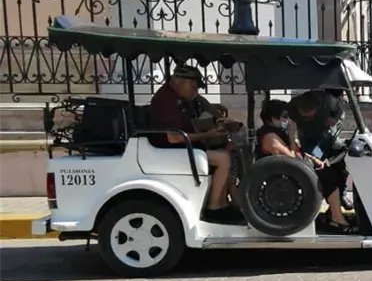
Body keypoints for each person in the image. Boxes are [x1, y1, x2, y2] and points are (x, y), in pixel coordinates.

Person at [149, 64, 238, 222]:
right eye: (194, 86)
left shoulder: (178, 96)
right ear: (181, 82)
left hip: (181, 147)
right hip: (169, 150)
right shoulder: (167, 102)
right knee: (222, 159)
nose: (196, 90)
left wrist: (218, 119)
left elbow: (202, 103)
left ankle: (224, 204)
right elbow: (173, 138)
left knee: (225, 150)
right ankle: (213, 208)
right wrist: (207, 134)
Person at [257, 99, 355, 232]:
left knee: (336, 171)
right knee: (328, 177)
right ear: (273, 118)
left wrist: (313, 159)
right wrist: (292, 135)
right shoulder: (270, 137)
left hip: (294, 171)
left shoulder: (279, 133)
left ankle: (333, 212)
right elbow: (291, 159)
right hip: (285, 176)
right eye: (285, 117)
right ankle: (337, 220)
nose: (288, 121)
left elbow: (298, 152)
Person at [288, 91, 353, 210]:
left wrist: (334, 119)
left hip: (329, 135)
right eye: (305, 116)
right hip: (308, 138)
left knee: (340, 165)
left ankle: (342, 196)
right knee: (315, 165)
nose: (309, 118)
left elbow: (341, 113)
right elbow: (290, 125)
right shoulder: (293, 107)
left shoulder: (329, 101)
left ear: (318, 108)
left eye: (312, 116)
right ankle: (318, 196)